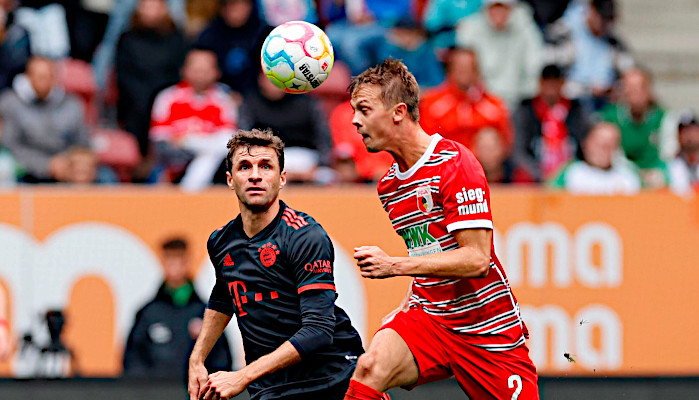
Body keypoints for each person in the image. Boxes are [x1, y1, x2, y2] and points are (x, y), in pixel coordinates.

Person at [343, 59, 538, 399]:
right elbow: (430, 253)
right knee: (369, 368)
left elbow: (476, 260)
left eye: (364, 109)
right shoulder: (388, 185)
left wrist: (394, 266)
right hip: (430, 318)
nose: (355, 121)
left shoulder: (454, 163)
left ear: (398, 112)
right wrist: (406, 303)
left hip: (487, 329)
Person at [188, 129, 364, 400]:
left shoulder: (305, 236)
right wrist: (197, 359)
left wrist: (243, 375)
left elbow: (319, 331)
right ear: (230, 180)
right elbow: (225, 295)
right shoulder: (221, 241)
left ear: (282, 179)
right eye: (244, 167)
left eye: (266, 166)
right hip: (271, 387)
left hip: (333, 380)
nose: (255, 175)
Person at [124, 237, 232, 378]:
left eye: (179, 259)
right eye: (170, 260)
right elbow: (133, 360)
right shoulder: (148, 313)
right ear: (163, 262)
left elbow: (222, 361)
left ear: (187, 262)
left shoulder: (207, 313)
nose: (174, 266)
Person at [150, 48, 238, 191]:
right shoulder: (167, 97)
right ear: (184, 69)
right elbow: (160, 139)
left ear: (217, 72)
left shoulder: (224, 100)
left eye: (206, 70)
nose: (200, 75)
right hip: (173, 163)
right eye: (196, 69)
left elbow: (227, 141)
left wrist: (189, 141)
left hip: (216, 168)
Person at [0, 56, 92, 183]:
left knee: (104, 176)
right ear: (27, 77)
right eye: (37, 76)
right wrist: (45, 166)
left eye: (46, 76)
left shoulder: (72, 105)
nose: (41, 81)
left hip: (65, 168)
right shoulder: (10, 104)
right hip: (26, 170)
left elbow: (83, 144)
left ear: (54, 78)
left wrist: (72, 163)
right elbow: (9, 146)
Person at [419, 46, 513, 151]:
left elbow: (506, 142)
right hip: (445, 161)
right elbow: (424, 142)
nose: (465, 72)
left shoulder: (493, 105)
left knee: (488, 138)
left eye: (469, 68)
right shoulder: (432, 103)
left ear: (477, 71)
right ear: (450, 70)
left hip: (481, 164)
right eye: (460, 68)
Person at [455, 0, 544, 109]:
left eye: (503, 8)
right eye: (494, 7)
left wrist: (525, 96)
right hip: (480, 99)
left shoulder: (526, 27)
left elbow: (534, 64)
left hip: (518, 99)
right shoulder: (470, 29)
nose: (499, 13)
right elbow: (464, 69)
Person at [513, 64, 590, 182]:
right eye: (548, 83)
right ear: (540, 83)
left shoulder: (576, 111)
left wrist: (573, 173)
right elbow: (518, 150)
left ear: (562, 84)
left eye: (555, 83)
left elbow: (585, 145)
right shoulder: (526, 110)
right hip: (535, 177)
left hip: (571, 176)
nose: (551, 88)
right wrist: (539, 174)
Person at [600, 67, 674, 189]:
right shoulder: (611, 117)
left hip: (656, 174)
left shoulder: (664, 118)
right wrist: (636, 174)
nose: (634, 93)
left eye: (639, 88)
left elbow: (668, 153)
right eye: (629, 88)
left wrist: (655, 172)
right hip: (623, 175)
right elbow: (614, 155)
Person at [549, 122, 641, 194]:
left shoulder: (628, 176)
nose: (603, 150)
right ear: (586, 144)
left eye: (609, 145)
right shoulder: (570, 173)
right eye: (598, 143)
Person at [669, 111, 699, 196]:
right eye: (684, 131)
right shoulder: (670, 166)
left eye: (693, 131)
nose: (689, 136)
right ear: (678, 136)